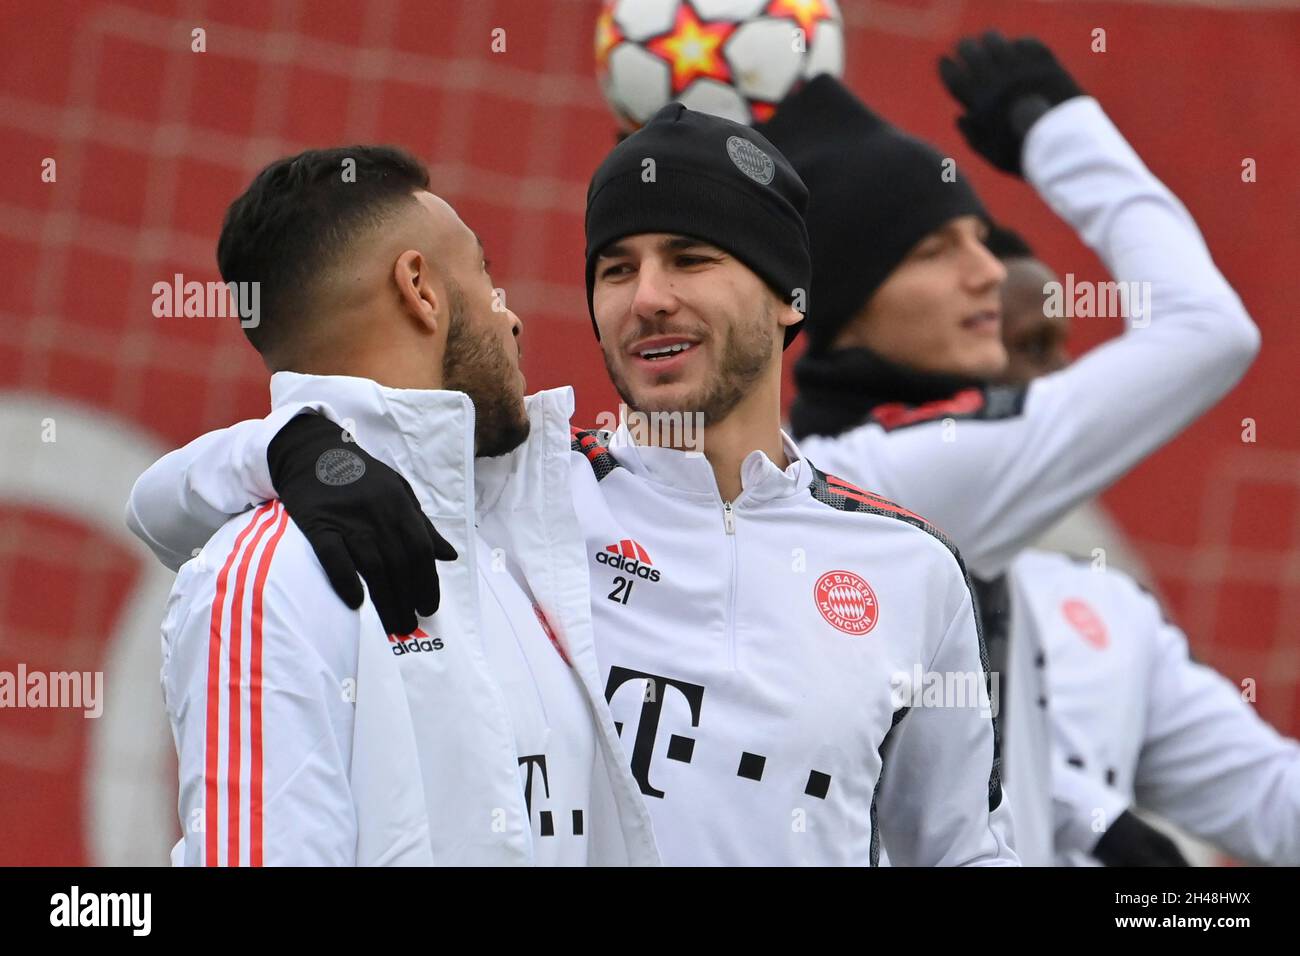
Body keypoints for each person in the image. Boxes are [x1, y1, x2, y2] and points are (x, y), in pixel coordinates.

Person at [127, 108, 1018, 866]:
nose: (648, 299)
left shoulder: (912, 569)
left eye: (691, 259)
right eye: (616, 269)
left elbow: (963, 850)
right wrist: (290, 449)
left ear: (789, 294)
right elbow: (170, 517)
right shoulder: (517, 494)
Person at [751, 33, 1259, 865]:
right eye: (933, 250)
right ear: (843, 304)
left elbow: (941, 760)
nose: (987, 272)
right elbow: (1211, 332)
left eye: (980, 239)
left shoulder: (875, 471)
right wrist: (1058, 131)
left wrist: (1082, 817)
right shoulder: (895, 473)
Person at [136, 145, 658, 866]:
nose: (513, 321)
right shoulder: (264, 582)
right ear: (420, 287)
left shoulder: (515, 538)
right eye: (485, 274)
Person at [987, 225, 1300, 866]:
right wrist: (1096, 820)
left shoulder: (1104, 603)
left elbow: (1268, 795)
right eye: (1028, 346)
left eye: (1062, 347)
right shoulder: (826, 547)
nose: (1065, 380)